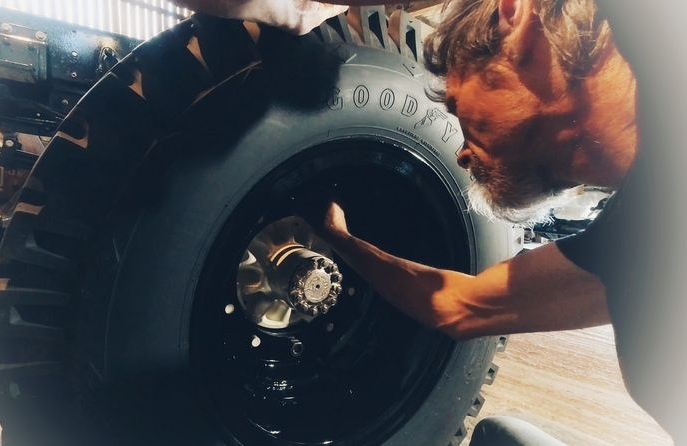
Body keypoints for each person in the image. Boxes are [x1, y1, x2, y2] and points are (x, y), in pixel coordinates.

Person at [178, 0, 687, 444]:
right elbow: (461, 308)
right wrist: (340, 239)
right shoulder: (628, 244)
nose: (461, 154)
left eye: (458, 109)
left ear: (518, 17)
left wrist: (298, 8)